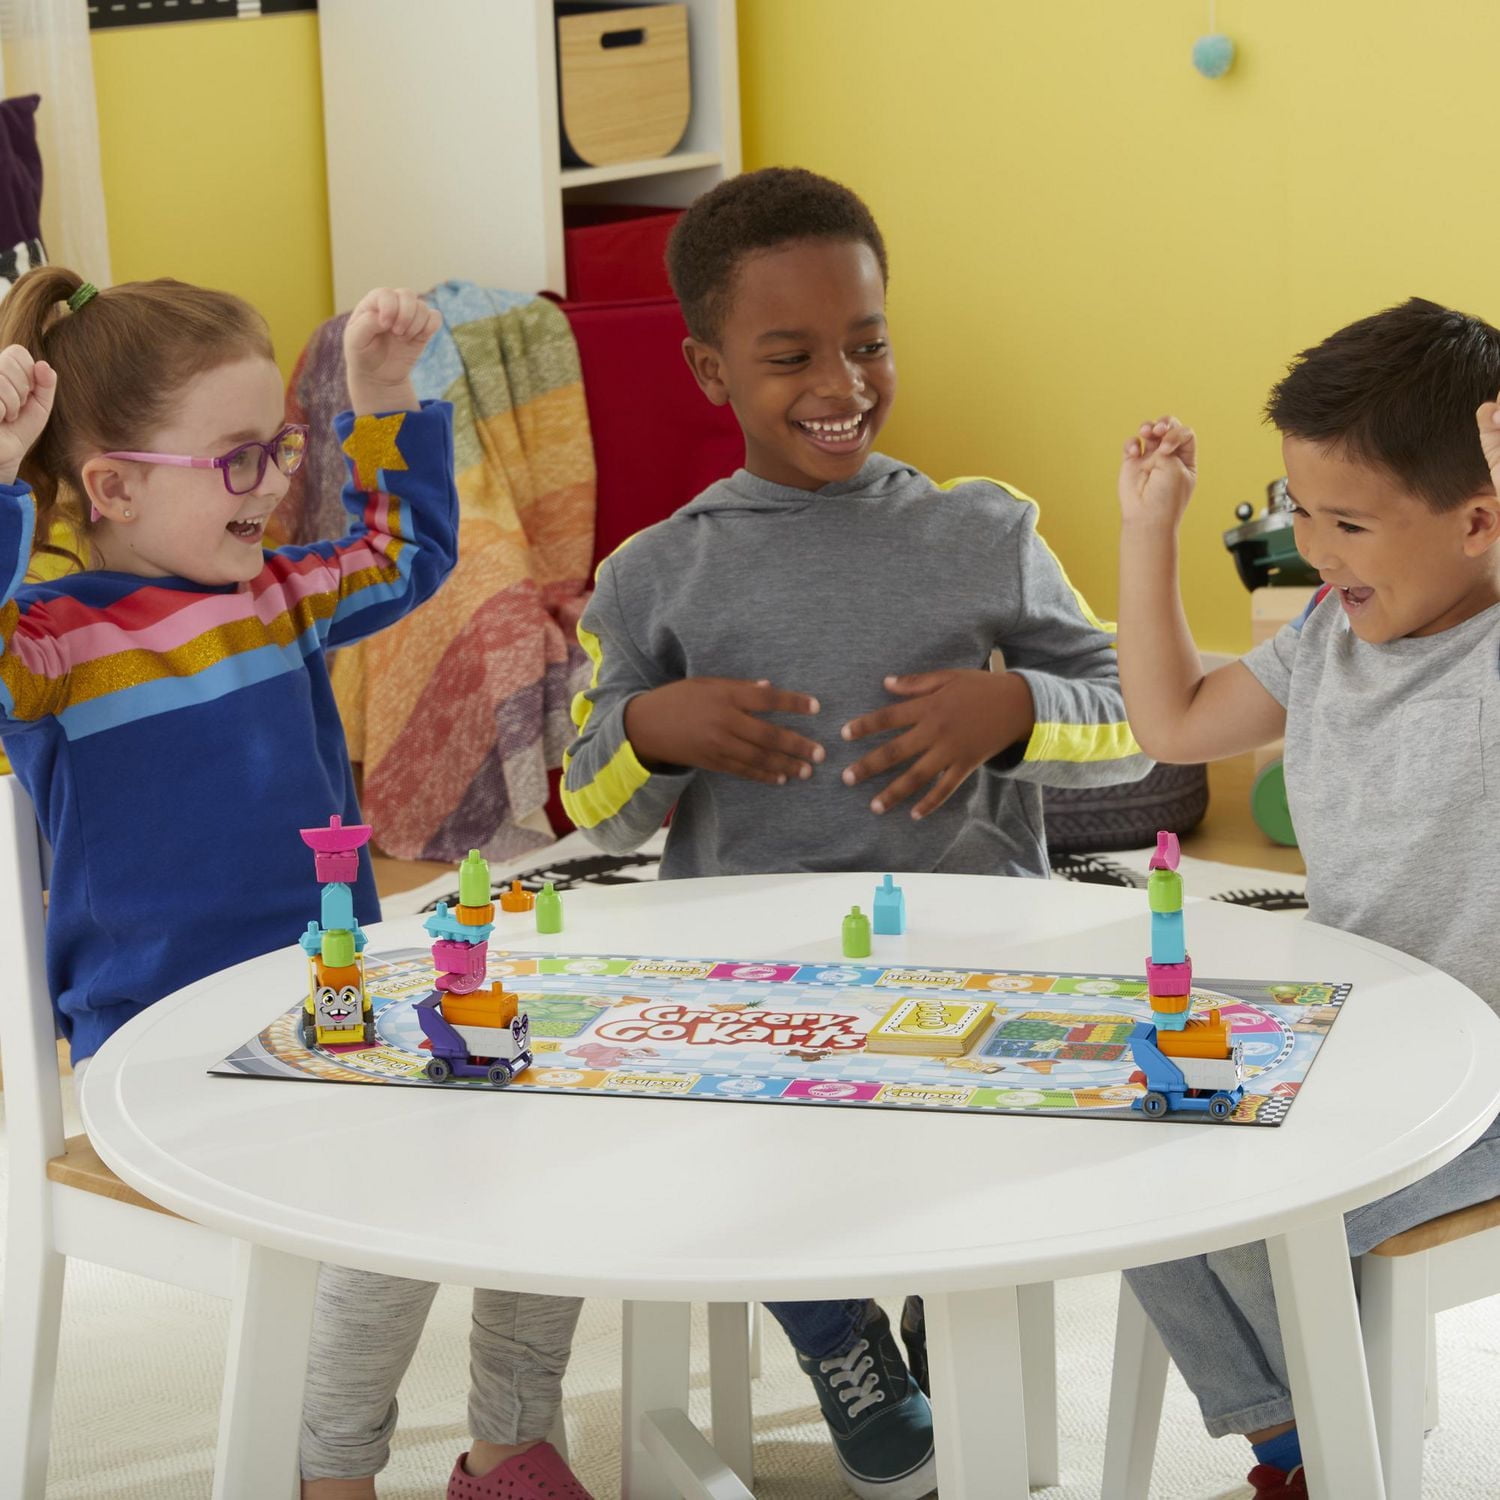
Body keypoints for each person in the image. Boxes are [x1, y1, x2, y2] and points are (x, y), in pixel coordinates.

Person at [562, 166, 1150, 1500]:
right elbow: (586, 795)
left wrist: (1015, 708)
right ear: (710, 371)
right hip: (758, 987)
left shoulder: (982, 531)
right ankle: (838, 1337)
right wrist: (655, 728)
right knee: (716, 1126)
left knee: (1013, 1141)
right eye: (792, 355)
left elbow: (1136, 723)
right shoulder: (656, 574)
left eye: (869, 341)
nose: (844, 380)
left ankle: (957, 1308)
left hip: (979, 951)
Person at [0, 267, 587, 1500]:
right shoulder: (53, 642)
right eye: (235, 461)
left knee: (548, 1124)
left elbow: (411, 550)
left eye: (274, 449)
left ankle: (511, 1448)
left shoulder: (280, 597)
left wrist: (381, 396)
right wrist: (1, 478)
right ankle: (332, 1476)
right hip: (153, 1053)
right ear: (109, 486)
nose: (270, 481)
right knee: (388, 1183)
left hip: (325, 1006)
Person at [1114, 296, 1500, 1500]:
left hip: (1481, 1083)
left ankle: (1336, 1456)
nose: (1316, 551)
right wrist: (1148, 532)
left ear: (1480, 518)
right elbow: (1172, 719)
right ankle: (1306, 1451)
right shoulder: (1327, 637)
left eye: (1350, 523)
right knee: (1132, 1161)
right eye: (1301, 512)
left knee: (1268, 1212)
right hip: (1350, 1050)